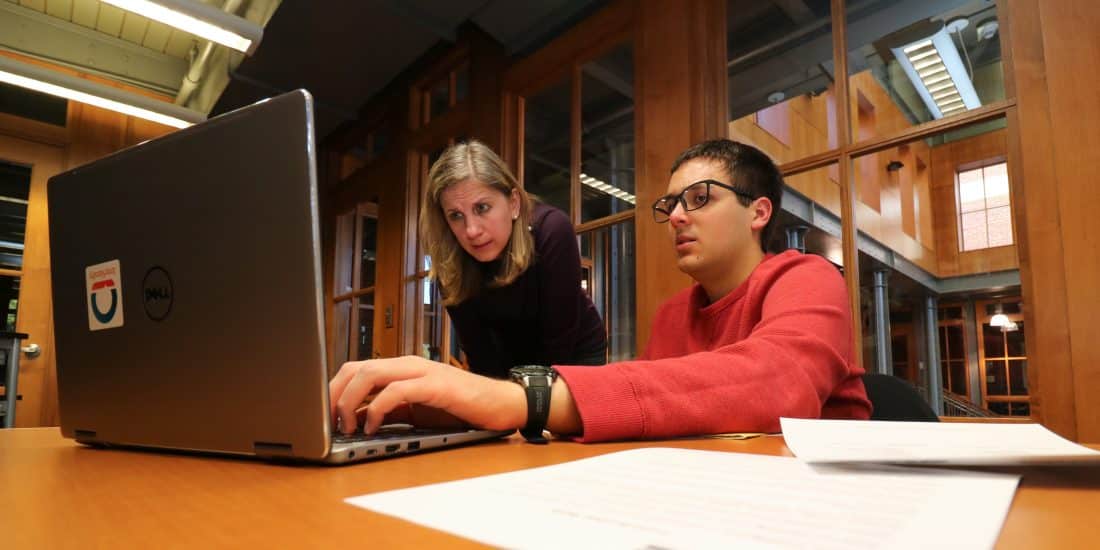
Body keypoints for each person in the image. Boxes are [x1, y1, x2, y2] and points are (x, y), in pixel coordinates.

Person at [329, 139, 871, 442]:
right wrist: (428, 404)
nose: (677, 216)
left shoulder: (809, 277)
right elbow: (658, 418)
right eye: (670, 205)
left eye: (700, 199)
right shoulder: (672, 314)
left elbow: (777, 386)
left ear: (759, 212)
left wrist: (525, 398)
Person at [418, 140, 606, 378]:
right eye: (456, 215)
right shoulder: (450, 263)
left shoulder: (551, 230)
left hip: (574, 355)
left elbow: (559, 349)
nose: (471, 231)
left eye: (482, 208)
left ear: (514, 203)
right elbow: (480, 356)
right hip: (508, 361)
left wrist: (523, 403)